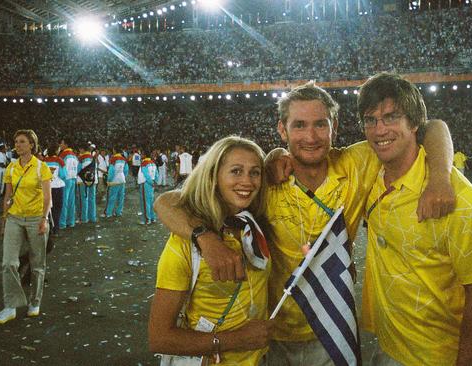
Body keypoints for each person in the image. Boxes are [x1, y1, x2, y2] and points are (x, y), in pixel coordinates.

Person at [154, 81, 456, 366]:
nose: (310, 137)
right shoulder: (265, 180)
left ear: (334, 128)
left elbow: (432, 127)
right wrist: (205, 238)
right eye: (299, 125)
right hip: (270, 334)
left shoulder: (358, 163)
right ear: (282, 130)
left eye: (320, 124)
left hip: (329, 326)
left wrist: (441, 175)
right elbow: (166, 203)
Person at [357, 72, 472, 366]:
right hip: (384, 345)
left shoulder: (459, 200)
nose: (379, 130)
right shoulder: (368, 170)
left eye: (391, 117)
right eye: (370, 120)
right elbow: (438, 126)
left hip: (435, 356)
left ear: (413, 124)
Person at [148, 136, 274, 365]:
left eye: (255, 172)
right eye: (236, 171)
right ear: (214, 177)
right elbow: (159, 338)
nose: (247, 181)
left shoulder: (256, 225)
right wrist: (236, 340)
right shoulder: (184, 243)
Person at [0, 129, 52, 324]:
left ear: (32, 145)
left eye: (22, 142)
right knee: (8, 262)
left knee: (37, 264)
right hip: (14, 218)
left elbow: (47, 197)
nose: (17, 145)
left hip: (36, 218)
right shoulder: (11, 168)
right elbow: (8, 196)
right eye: (16, 142)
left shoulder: (41, 167)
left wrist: (43, 219)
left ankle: (35, 301)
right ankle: (11, 306)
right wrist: (3, 220)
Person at [43, 144, 66, 235]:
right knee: (57, 208)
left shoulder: (44, 161)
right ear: (56, 151)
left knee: (47, 208)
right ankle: (56, 229)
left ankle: (48, 228)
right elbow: (63, 175)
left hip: (47, 187)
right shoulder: (59, 160)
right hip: (58, 187)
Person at [58, 139, 78, 229]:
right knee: (71, 201)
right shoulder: (74, 155)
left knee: (64, 201)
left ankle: (62, 223)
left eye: (61, 143)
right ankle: (71, 221)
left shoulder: (63, 155)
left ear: (66, 144)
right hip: (73, 179)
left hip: (65, 179)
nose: (60, 145)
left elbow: (60, 168)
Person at [77, 144, 98, 224]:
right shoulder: (93, 158)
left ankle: (84, 218)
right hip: (93, 181)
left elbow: (78, 170)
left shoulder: (81, 158)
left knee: (84, 199)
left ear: (82, 149)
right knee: (92, 199)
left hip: (83, 181)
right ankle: (92, 217)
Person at [104, 148, 128, 218]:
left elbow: (111, 171)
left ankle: (109, 213)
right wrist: (123, 176)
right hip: (122, 180)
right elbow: (126, 170)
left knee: (112, 197)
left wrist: (109, 180)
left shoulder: (113, 158)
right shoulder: (124, 159)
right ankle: (118, 212)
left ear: (114, 150)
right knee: (121, 198)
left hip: (114, 181)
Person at [137, 156, 158, 225]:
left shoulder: (144, 164)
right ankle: (152, 218)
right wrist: (154, 182)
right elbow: (156, 174)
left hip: (145, 184)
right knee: (151, 202)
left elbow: (146, 175)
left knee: (145, 202)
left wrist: (150, 182)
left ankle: (146, 220)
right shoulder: (153, 164)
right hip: (151, 184)